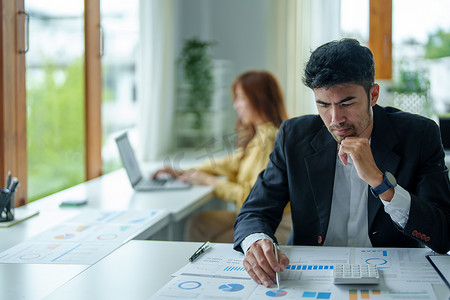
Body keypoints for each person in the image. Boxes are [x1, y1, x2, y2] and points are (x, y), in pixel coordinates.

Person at [233, 38, 450, 287]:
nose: (335, 119)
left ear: (373, 94)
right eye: (323, 104)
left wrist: (382, 184)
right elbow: (254, 211)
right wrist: (256, 241)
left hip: (393, 276)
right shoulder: (294, 136)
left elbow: (443, 234)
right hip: (308, 277)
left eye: (347, 103)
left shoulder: (419, 135)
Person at [155, 70, 291, 243]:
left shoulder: (270, 138)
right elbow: (226, 164)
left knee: (210, 240)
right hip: (253, 216)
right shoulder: (259, 135)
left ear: (259, 99)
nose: (236, 105)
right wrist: (182, 172)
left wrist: (211, 182)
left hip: (274, 223)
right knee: (199, 223)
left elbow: (255, 195)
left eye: (241, 98)